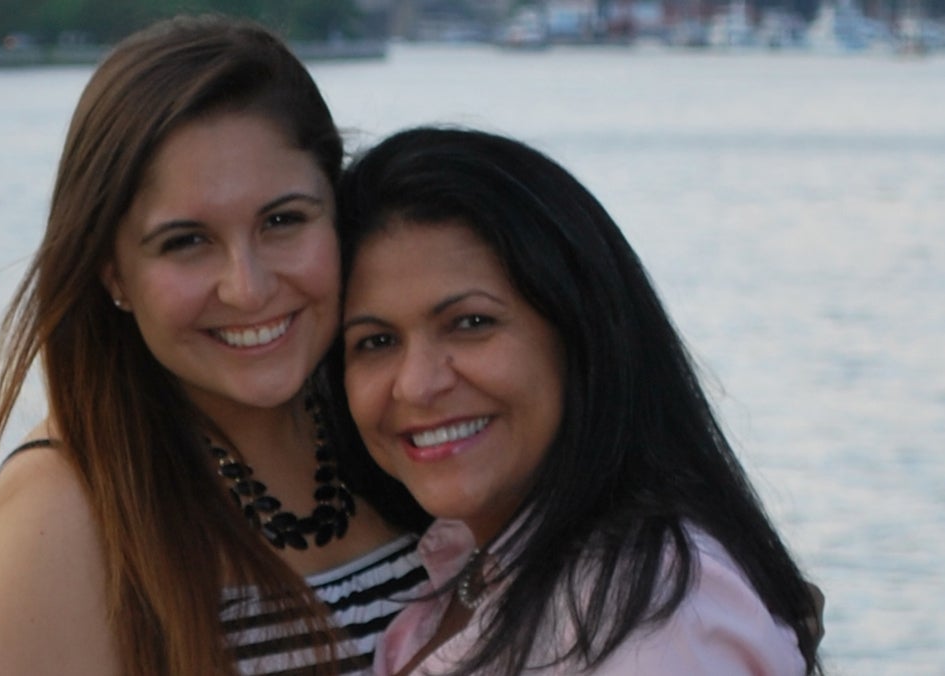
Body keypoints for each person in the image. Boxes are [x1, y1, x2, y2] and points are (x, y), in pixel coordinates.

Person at [0, 16, 429, 676]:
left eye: (282, 221)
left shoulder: (400, 418)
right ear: (113, 273)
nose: (247, 289)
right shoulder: (60, 524)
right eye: (186, 242)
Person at [333, 126, 824, 675]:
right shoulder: (459, 572)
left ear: (580, 334)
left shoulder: (650, 612)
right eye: (376, 341)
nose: (417, 384)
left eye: (471, 323)